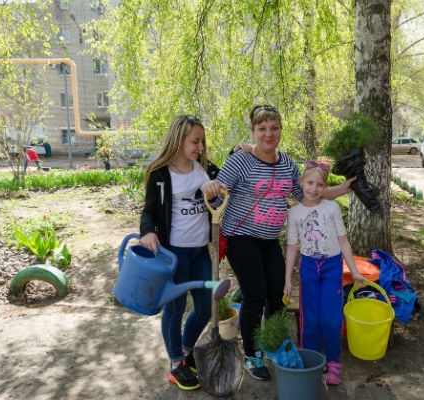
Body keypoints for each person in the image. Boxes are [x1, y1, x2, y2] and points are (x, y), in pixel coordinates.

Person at [201, 105, 354, 381]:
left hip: (269, 240)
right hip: (240, 237)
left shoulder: (287, 164)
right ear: (253, 132)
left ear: (281, 130)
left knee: (278, 296)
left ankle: (270, 344)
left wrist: (339, 190)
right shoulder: (240, 160)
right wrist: (211, 189)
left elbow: (306, 194)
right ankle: (251, 355)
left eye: (274, 128)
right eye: (262, 128)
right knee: (256, 294)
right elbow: (217, 195)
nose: (268, 134)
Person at [139, 114, 220, 391]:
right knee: (174, 309)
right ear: (179, 139)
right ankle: (175, 364)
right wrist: (147, 232)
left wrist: (238, 152)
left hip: (200, 252)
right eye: (195, 141)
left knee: (205, 307)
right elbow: (149, 211)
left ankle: (186, 352)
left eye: (202, 141)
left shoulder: (205, 168)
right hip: (175, 254)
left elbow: (225, 184)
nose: (200, 146)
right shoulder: (161, 173)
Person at [283, 161, 369, 386]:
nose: (313, 188)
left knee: (330, 317)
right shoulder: (294, 213)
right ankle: (312, 361)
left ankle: (333, 362)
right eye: (309, 182)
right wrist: (287, 281)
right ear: (301, 183)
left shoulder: (331, 208)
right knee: (309, 318)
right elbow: (292, 246)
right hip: (308, 267)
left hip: (332, 266)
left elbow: (343, 241)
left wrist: (355, 271)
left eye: (320, 184)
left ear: (325, 187)